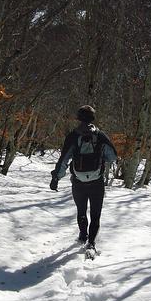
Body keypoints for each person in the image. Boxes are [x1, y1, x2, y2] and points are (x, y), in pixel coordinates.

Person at [50, 105, 117, 249]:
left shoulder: (73, 136)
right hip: (96, 182)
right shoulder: (100, 136)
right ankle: (91, 243)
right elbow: (112, 157)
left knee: (81, 211)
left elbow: (64, 160)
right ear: (93, 118)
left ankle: (82, 236)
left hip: (78, 183)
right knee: (95, 214)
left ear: (78, 118)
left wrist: (56, 178)